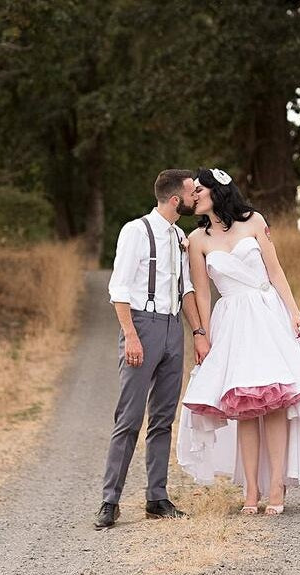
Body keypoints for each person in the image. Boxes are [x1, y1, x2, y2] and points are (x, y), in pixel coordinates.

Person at [177, 168, 300, 515]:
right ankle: (251, 491)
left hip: (266, 314)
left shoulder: (254, 221)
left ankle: (276, 485)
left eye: (199, 190)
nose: (194, 196)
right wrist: (202, 336)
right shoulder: (197, 240)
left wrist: (294, 313)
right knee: (243, 405)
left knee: (275, 401)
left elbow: (275, 272)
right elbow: (202, 294)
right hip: (230, 320)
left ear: (218, 191)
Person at [94, 169, 209, 529]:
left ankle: (156, 498)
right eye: (192, 193)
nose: (196, 197)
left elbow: (187, 289)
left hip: (173, 328)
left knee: (163, 418)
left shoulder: (179, 236)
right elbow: (119, 288)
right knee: (128, 418)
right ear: (176, 199)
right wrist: (130, 335)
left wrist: (198, 332)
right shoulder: (136, 231)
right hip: (142, 326)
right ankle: (109, 501)